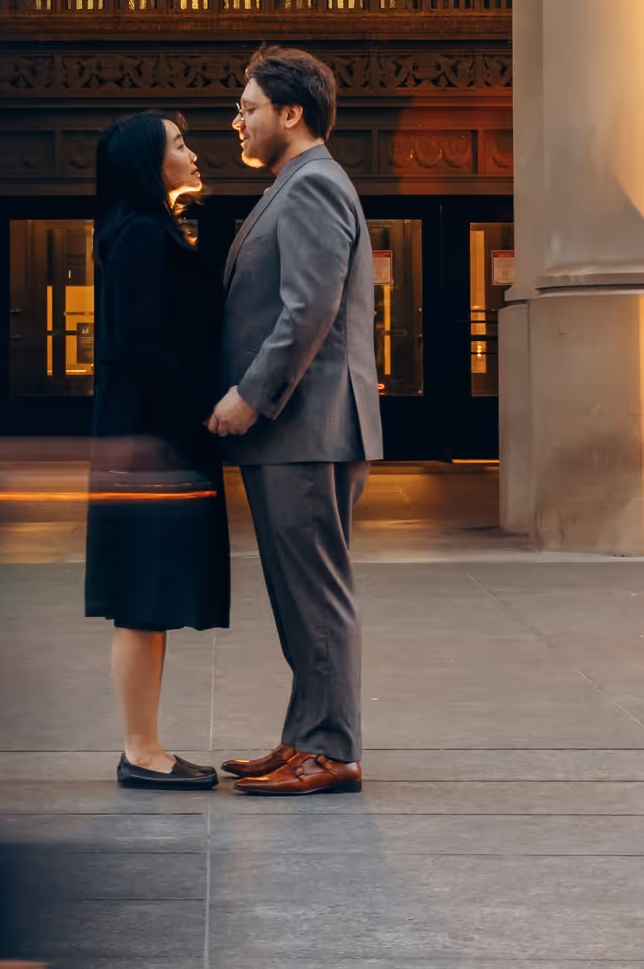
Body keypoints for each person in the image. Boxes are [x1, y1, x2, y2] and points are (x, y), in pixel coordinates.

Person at [208, 43, 382, 797]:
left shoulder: (313, 185)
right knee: (299, 593)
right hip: (299, 430)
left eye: (247, 108)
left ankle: (330, 748)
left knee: (314, 594)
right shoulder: (298, 182)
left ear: (290, 112)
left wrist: (251, 392)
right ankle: (304, 738)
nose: (237, 122)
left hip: (307, 427)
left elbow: (308, 308)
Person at [85, 111, 230, 790]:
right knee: (142, 600)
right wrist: (202, 418)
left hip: (149, 433)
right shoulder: (143, 235)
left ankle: (145, 745)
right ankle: (141, 751)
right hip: (154, 439)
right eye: (179, 144)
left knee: (147, 600)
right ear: (150, 163)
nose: (193, 152)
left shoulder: (146, 230)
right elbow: (146, 346)